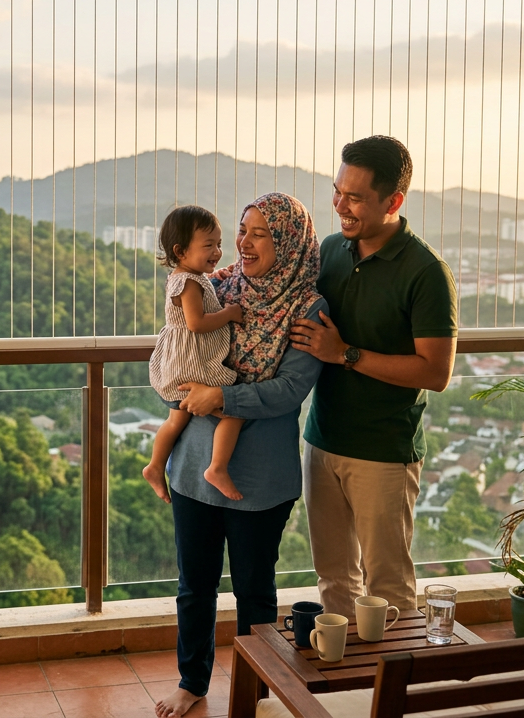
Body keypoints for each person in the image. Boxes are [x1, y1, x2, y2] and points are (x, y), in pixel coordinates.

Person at [153, 193, 328, 718]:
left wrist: (222, 397)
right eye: (242, 229)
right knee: (195, 587)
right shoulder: (219, 285)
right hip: (192, 470)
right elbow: (179, 350)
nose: (243, 242)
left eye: (259, 233)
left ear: (290, 242)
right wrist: (182, 391)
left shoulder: (308, 307)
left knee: (254, 590)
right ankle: (192, 682)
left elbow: (290, 390)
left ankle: (256, 688)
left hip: (262, 477)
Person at [289, 136, 459, 617]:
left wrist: (346, 354)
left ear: (394, 201)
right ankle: (347, 688)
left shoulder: (426, 272)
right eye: (338, 191)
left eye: (356, 197)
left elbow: (436, 371)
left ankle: (393, 691)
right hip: (321, 442)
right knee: (333, 577)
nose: (341, 205)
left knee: (387, 585)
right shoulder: (330, 252)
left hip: (384, 454)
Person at [144, 205, 247, 502]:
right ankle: (217, 468)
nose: (216, 251)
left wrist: (217, 278)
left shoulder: (188, 277)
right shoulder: (189, 282)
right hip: (194, 365)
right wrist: (228, 313)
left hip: (178, 364)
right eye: (208, 246)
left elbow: (202, 296)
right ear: (180, 251)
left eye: (219, 244)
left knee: (176, 419)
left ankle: (154, 466)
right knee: (235, 409)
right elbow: (197, 323)